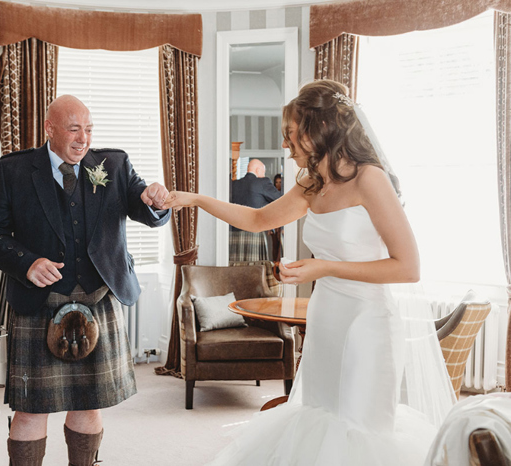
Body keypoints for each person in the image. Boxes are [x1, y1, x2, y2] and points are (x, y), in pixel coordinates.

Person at [162, 79, 454, 465]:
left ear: (319, 130)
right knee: (320, 423)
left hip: (367, 325)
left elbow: (408, 267)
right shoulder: (311, 183)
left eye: (290, 134)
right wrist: (196, 199)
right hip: (327, 318)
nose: (286, 145)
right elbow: (257, 218)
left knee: (359, 432)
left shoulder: (370, 179)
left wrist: (325, 267)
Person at [0, 95, 171, 466]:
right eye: (73, 129)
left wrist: (155, 201)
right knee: (31, 409)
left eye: (89, 129)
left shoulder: (113, 163)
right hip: (39, 301)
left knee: (89, 401)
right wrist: (27, 263)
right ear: (50, 129)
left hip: (98, 297)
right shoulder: (15, 170)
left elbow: (144, 205)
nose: (83, 138)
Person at [229, 159, 281, 262]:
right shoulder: (262, 182)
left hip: (233, 233)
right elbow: (280, 200)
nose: (264, 175)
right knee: (255, 269)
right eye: (263, 172)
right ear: (258, 169)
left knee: (235, 267)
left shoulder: (234, 184)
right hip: (254, 232)